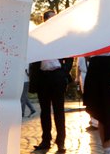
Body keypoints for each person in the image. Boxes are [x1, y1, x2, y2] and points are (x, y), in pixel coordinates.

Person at [29, 10, 73, 153]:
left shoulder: (62, 37)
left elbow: (70, 55)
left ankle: (61, 142)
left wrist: (64, 72)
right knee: (45, 112)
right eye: (52, 18)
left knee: (59, 111)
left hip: (57, 76)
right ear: (45, 20)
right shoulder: (38, 36)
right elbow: (33, 58)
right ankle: (45, 140)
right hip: (43, 77)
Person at [77, 56, 98, 131]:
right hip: (83, 76)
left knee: (92, 100)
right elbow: (78, 67)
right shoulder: (80, 56)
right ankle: (92, 120)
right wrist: (77, 78)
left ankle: (95, 121)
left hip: (92, 76)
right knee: (87, 100)